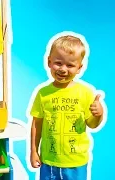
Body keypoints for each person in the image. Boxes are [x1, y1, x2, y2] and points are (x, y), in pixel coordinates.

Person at [29, 33, 106, 180]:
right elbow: (36, 124)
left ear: (79, 68)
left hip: (76, 163)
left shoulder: (85, 93)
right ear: (49, 62)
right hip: (49, 162)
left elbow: (92, 124)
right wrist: (33, 151)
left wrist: (99, 114)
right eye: (58, 63)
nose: (63, 69)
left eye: (70, 65)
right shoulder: (43, 93)